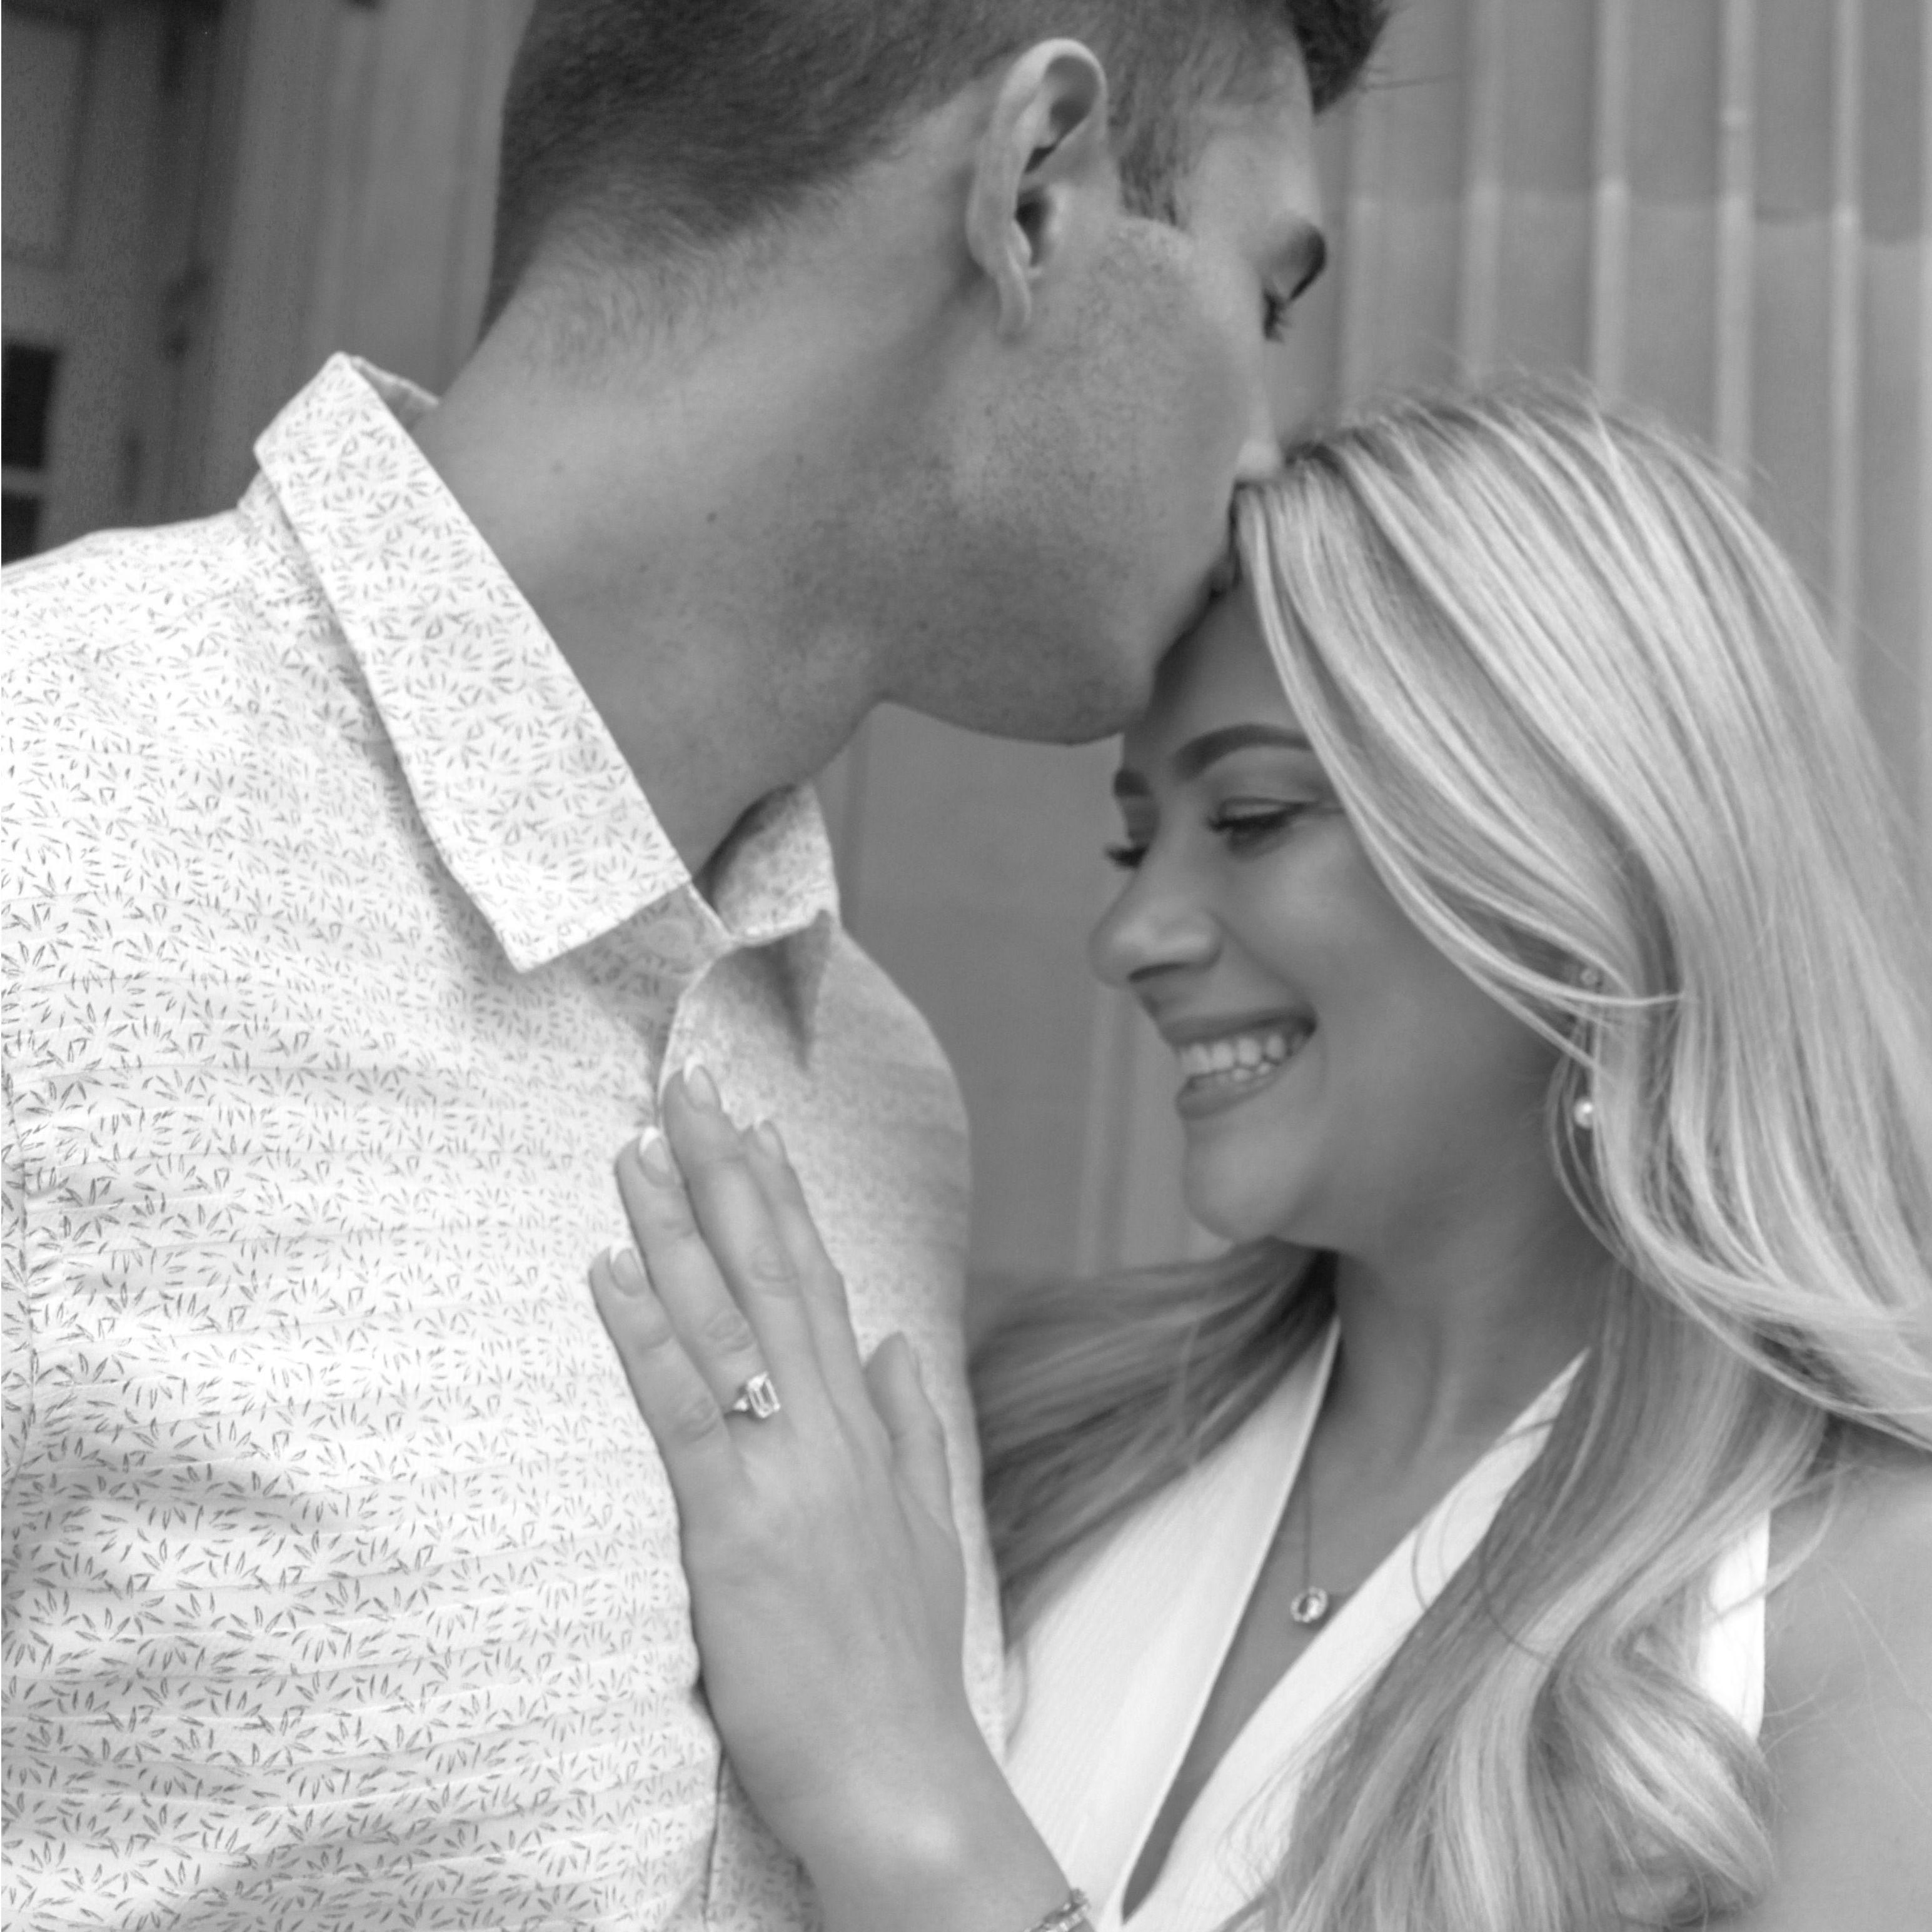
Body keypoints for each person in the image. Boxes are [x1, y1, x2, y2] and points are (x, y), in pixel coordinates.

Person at [0, 3, 1387, 1925]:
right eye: (1271, 297)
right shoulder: (44, 835)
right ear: (1035, 192)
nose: (1262, 452)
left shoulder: (878, 1095)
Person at [590, 388, 1932, 1932]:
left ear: (1594, 862)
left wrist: (914, 1811)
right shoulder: (1044, 1437)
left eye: (1252, 816)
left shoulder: (1868, 1617)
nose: (1129, 934)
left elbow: (902, 1819)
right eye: (1134, 842)